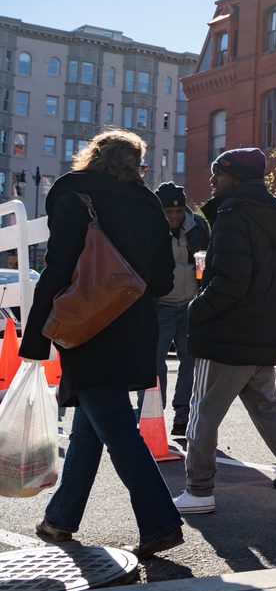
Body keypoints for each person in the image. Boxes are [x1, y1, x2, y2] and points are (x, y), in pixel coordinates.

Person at [19, 130, 184, 558]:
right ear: (136, 163)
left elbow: (58, 269)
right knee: (92, 424)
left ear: (92, 156)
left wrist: (34, 337)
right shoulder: (150, 204)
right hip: (134, 326)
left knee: (116, 427)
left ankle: (161, 522)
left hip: (88, 326)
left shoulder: (74, 195)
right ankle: (60, 520)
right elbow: (163, 280)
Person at [174, 147, 276, 516]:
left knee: (202, 413)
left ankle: (198, 491)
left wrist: (195, 311)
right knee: (268, 410)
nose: (212, 181)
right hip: (261, 334)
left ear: (236, 177)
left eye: (218, 174)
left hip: (226, 335)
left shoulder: (233, 215)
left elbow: (229, 281)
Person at [140, 182, 210, 437]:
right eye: (168, 212)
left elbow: (210, 261)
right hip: (160, 307)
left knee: (189, 363)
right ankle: (149, 415)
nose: (174, 217)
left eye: (178, 211)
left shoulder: (198, 227)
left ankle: (182, 417)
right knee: (154, 365)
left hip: (191, 305)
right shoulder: (148, 229)